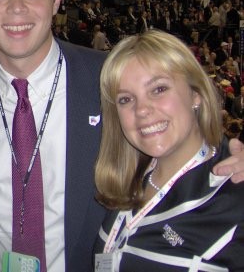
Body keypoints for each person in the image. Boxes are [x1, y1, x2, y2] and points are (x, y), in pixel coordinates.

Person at [0, 0, 244, 272]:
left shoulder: (110, 78)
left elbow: (173, 119)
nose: (17, 8)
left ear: (57, 0)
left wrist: (230, 156)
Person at [93, 30, 244, 270]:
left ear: (196, 94)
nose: (141, 110)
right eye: (125, 99)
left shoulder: (234, 200)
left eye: (159, 89)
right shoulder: (123, 182)